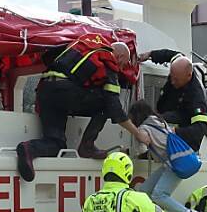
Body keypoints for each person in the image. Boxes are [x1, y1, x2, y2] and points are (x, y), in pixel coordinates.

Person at [16, 36, 150, 182]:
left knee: (56, 144)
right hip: (65, 92)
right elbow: (115, 109)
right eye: (123, 64)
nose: (121, 68)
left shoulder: (81, 49)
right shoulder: (108, 62)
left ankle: (28, 148)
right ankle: (87, 146)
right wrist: (137, 133)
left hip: (45, 91)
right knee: (106, 102)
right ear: (120, 56)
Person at [128, 100, 201, 212]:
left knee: (159, 194)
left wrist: (134, 138)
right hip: (174, 161)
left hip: (174, 163)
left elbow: (142, 150)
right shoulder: (160, 121)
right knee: (144, 191)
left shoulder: (143, 128)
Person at [138, 49, 207, 151]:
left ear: (188, 76)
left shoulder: (196, 97)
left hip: (180, 134)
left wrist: (175, 132)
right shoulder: (180, 64)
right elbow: (170, 55)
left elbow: (201, 128)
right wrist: (151, 54)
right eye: (171, 77)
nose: (172, 82)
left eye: (176, 79)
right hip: (165, 112)